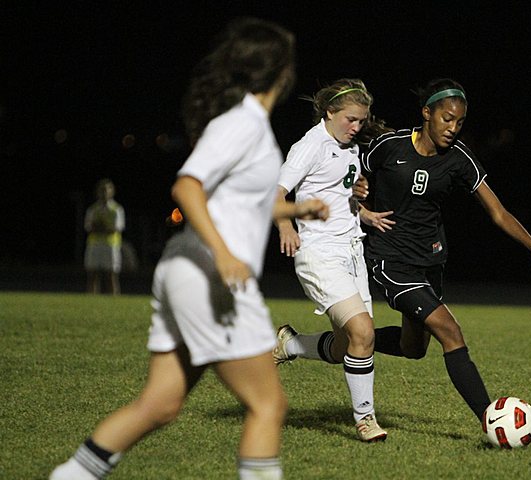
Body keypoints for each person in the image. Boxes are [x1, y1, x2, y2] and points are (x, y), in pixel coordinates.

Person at [50, 17, 328, 480]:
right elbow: (187, 187)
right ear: (281, 72)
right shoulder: (243, 122)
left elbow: (230, 202)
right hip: (210, 277)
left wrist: (293, 212)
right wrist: (222, 253)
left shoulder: (246, 122)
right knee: (268, 405)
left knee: (159, 405)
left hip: (187, 272)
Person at [301, 78, 531, 427]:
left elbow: (498, 211)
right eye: (446, 119)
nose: (452, 128)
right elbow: (350, 171)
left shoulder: (459, 158)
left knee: (413, 348)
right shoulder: (390, 145)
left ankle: (301, 344)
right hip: (390, 260)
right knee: (450, 331)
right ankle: (493, 420)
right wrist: (359, 191)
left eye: (459, 122)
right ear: (427, 113)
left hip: (429, 262)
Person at [272, 79, 394, 442]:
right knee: (363, 333)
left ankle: (290, 345)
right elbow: (276, 192)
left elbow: (342, 196)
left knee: (348, 346)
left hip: (352, 252)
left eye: (361, 121)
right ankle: (365, 419)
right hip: (319, 253)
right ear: (329, 113)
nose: (357, 127)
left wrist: (365, 213)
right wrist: (285, 226)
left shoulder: (350, 147)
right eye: (351, 120)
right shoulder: (310, 145)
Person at [84, 178, 125, 295]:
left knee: (111, 275)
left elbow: (115, 228)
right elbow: (89, 227)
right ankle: (90, 302)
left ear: (112, 191)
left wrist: (99, 227)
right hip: (94, 245)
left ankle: (114, 303)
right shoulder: (92, 209)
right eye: (102, 190)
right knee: (92, 275)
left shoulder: (117, 209)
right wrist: (103, 228)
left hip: (110, 245)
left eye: (107, 190)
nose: (104, 193)